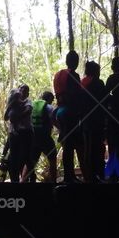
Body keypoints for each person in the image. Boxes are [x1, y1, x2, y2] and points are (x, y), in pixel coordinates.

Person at [53, 51, 85, 182]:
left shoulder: (58, 74)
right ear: (75, 62)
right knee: (71, 145)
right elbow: (77, 95)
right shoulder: (73, 75)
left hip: (59, 110)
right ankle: (70, 176)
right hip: (69, 112)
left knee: (67, 144)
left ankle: (69, 175)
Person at [80, 61, 107, 182]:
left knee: (87, 148)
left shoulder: (82, 83)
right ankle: (98, 173)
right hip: (97, 120)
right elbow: (105, 100)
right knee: (98, 147)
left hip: (85, 120)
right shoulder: (98, 83)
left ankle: (89, 175)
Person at [5, 84, 34, 182]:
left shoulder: (27, 102)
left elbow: (28, 111)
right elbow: (6, 117)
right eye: (21, 89)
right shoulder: (13, 103)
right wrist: (10, 106)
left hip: (26, 132)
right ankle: (15, 180)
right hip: (14, 133)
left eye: (25, 90)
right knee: (13, 157)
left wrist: (16, 119)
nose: (22, 92)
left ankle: (31, 177)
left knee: (26, 156)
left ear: (27, 93)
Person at [30, 90, 58, 182]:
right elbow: (54, 120)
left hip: (34, 137)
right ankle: (53, 182)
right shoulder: (49, 107)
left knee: (31, 162)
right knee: (53, 158)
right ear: (49, 99)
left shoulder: (32, 106)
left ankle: (23, 181)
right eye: (52, 99)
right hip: (45, 138)